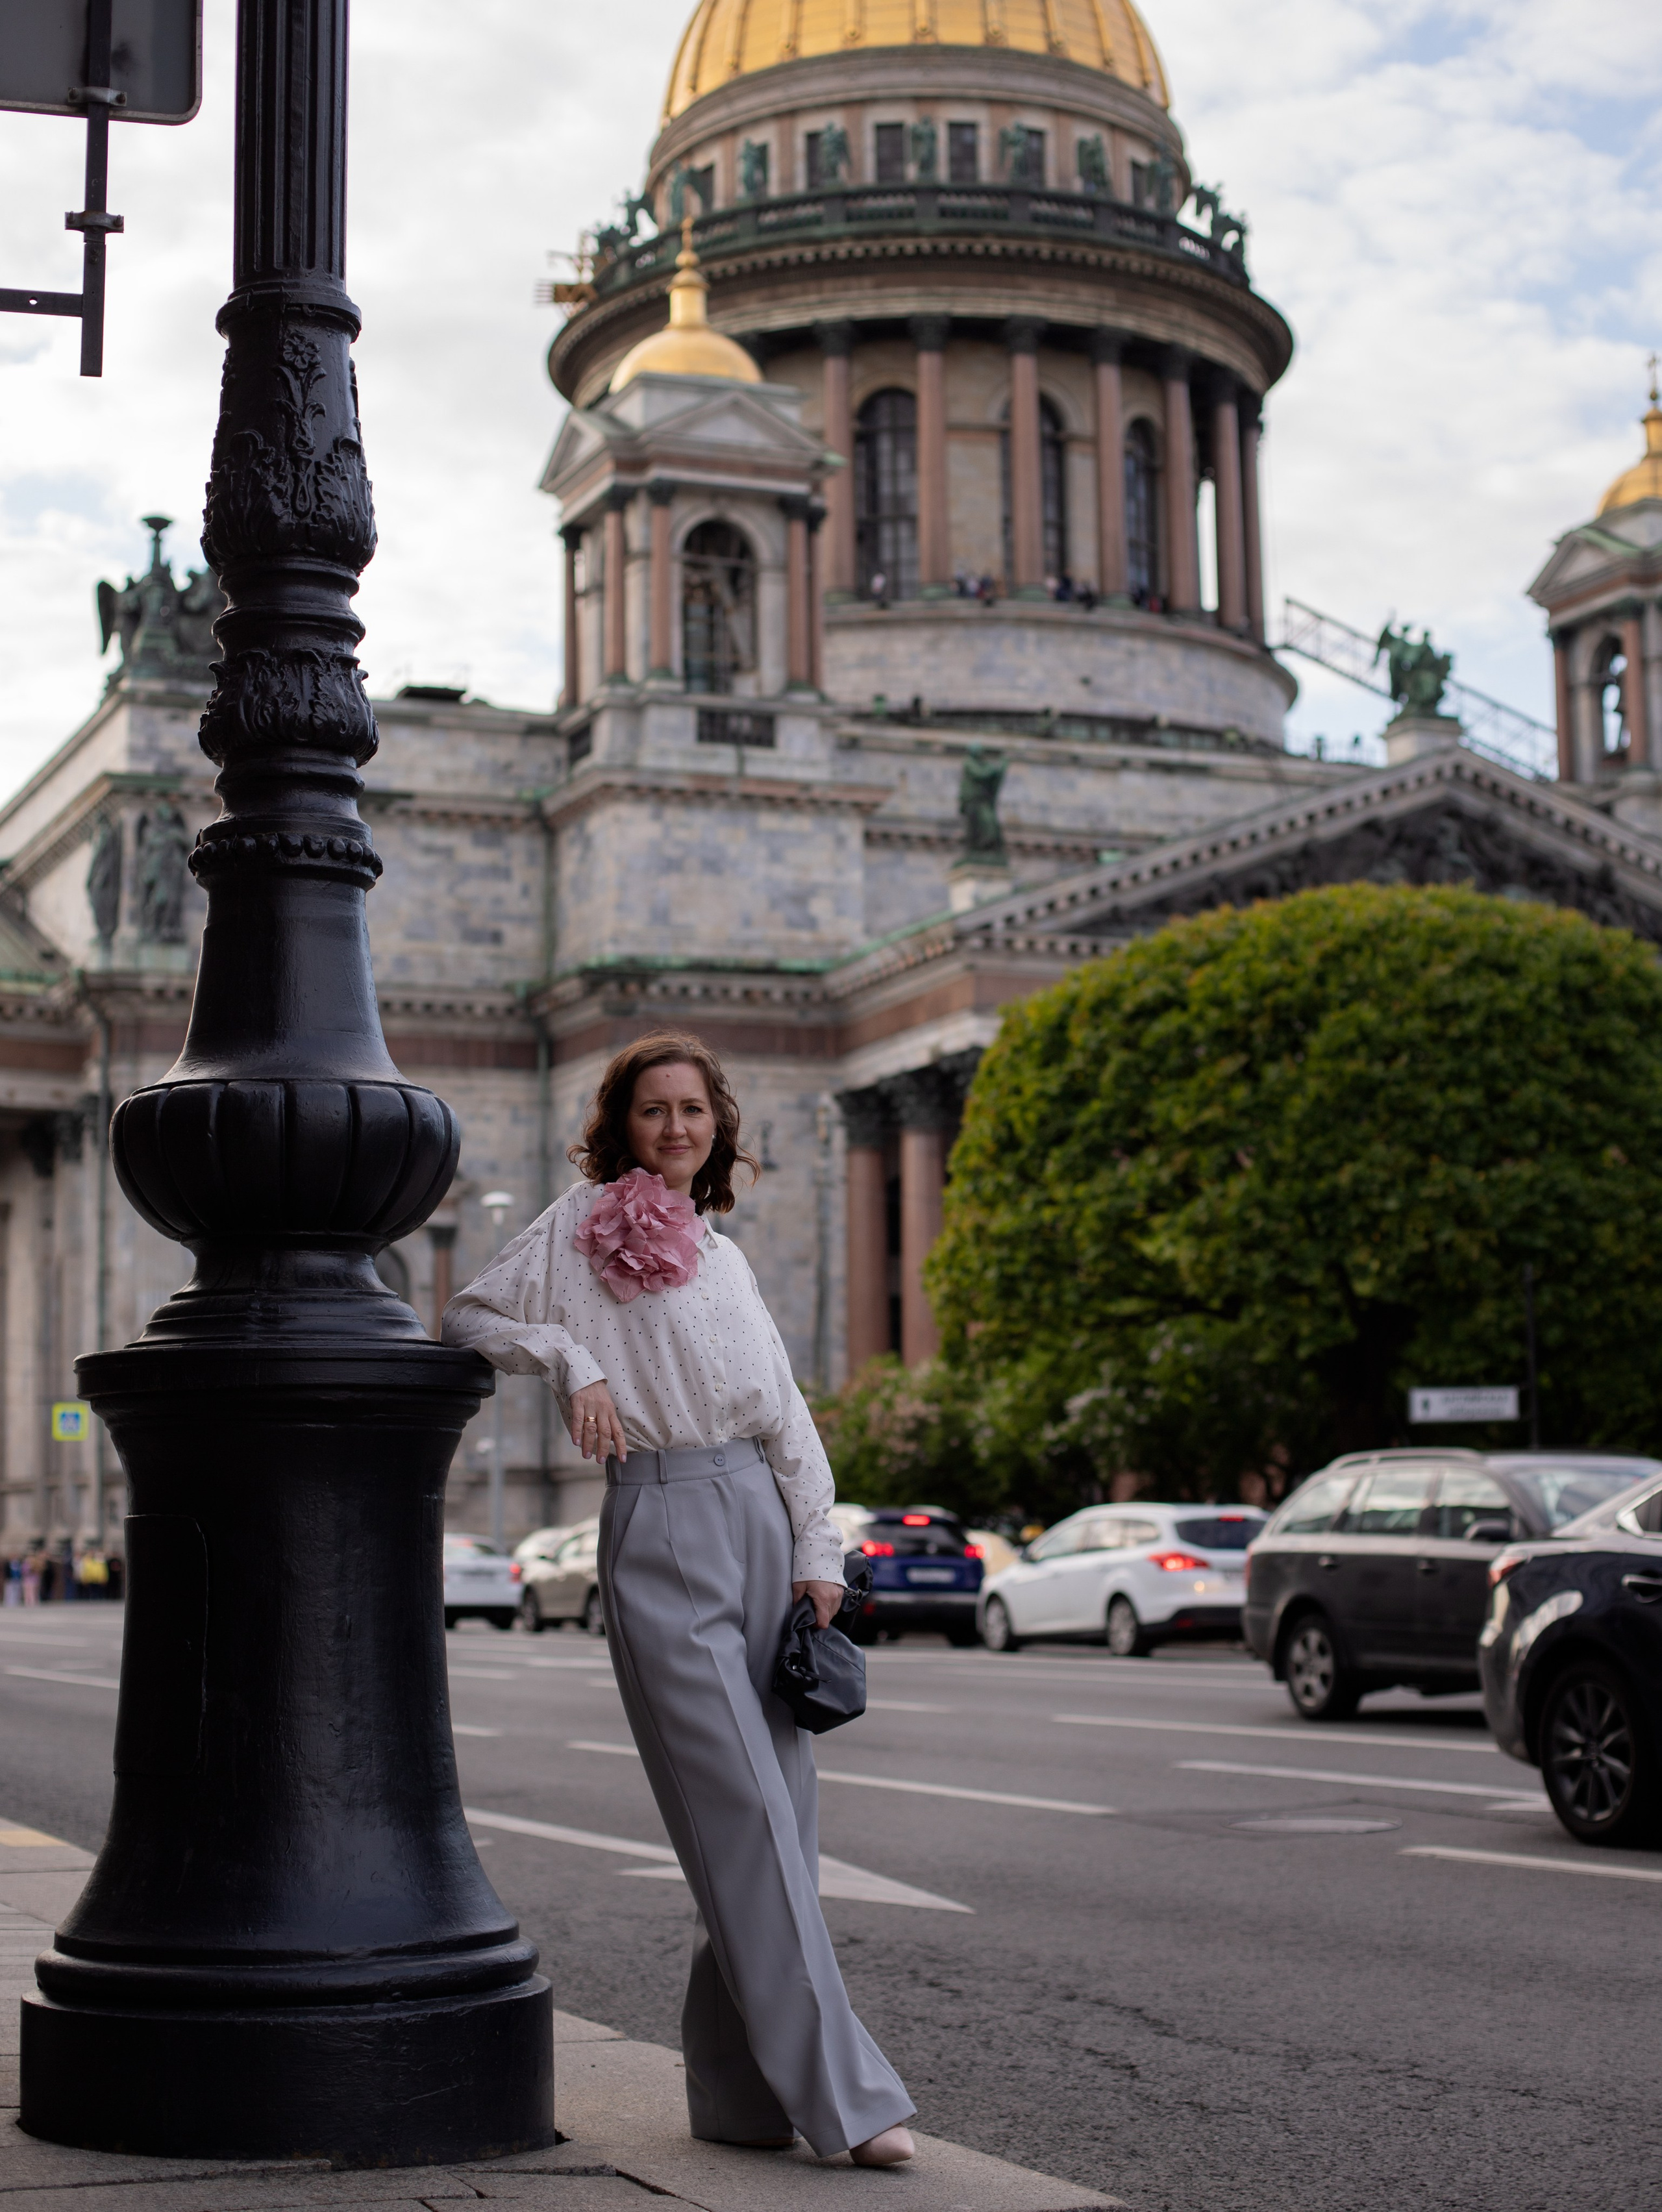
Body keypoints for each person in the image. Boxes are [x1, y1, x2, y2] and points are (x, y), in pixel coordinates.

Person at [443, 1031, 915, 2168]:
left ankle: (739, 2096)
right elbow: (465, 1317)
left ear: (718, 1125)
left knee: (777, 1830)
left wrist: (820, 1550)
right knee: (744, 1814)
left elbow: (786, 1415)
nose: (676, 1129)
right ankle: (847, 2103)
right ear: (621, 1123)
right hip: (657, 1523)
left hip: (762, 1522)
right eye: (653, 1110)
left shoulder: (725, 1252)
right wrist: (571, 1357)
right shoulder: (572, 1226)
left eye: (693, 1110)